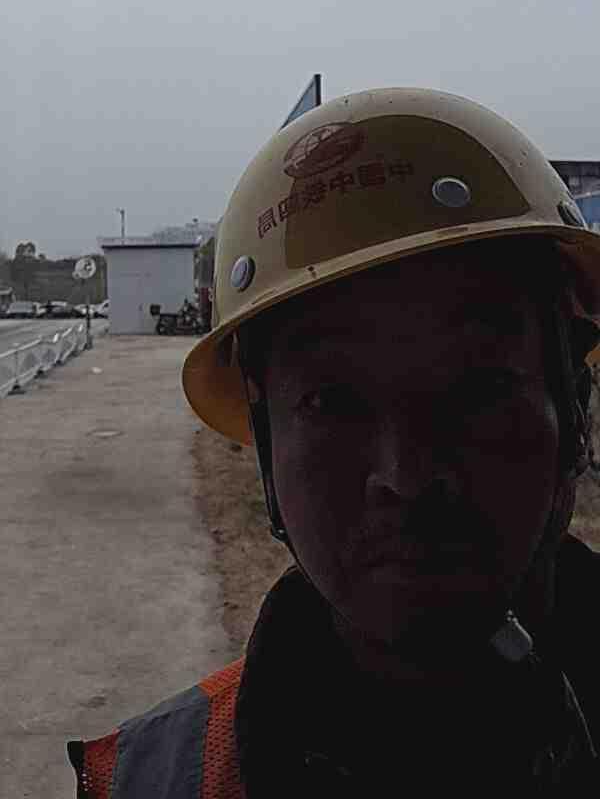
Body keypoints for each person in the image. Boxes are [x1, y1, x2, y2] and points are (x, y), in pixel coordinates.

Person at [68, 89, 600, 796]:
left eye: (477, 389)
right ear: (268, 450)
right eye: (330, 402)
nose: (407, 475)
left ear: (574, 411)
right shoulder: (158, 779)